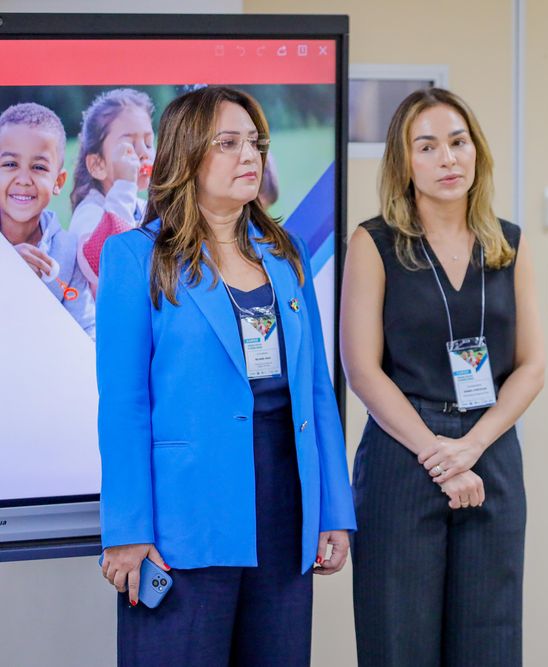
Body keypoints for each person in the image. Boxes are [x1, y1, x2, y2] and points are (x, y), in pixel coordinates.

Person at [96, 86, 355, 667]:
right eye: (229, 143)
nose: (251, 156)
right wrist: (128, 529)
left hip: (285, 514)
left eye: (256, 142)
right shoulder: (135, 257)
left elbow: (316, 390)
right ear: (186, 153)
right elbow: (124, 406)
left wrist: (332, 510)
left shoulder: (284, 253)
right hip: (183, 523)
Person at [341, 87, 544, 667]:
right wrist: (438, 455)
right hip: (404, 455)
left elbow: (532, 367)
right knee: (397, 639)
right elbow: (362, 368)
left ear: (476, 151)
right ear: (405, 163)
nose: (447, 159)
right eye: (426, 147)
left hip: (491, 451)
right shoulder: (374, 242)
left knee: (490, 640)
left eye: (458, 143)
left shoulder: (509, 243)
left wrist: (473, 447)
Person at [0, 102, 95, 338]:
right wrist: (8, 268)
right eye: (10, 164)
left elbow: (84, 332)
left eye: (39, 167)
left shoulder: (69, 253)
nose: (23, 179)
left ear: (58, 182)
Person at [69, 88, 155, 293]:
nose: (144, 152)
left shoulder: (142, 207)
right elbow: (105, 265)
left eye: (149, 142)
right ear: (97, 165)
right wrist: (125, 185)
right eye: (128, 145)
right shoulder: (89, 213)